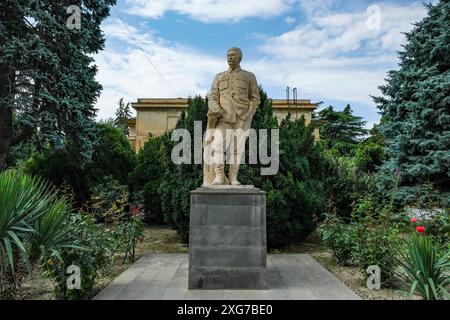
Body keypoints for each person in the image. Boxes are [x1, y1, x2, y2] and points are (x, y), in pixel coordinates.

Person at [203, 47, 260, 186]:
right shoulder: (219, 76)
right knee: (217, 146)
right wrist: (214, 106)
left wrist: (249, 112)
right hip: (223, 117)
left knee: (237, 149)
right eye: (228, 55)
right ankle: (218, 176)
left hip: (242, 117)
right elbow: (212, 97)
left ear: (240, 58)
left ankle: (233, 177)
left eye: (233, 55)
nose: (230, 57)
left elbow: (255, 98)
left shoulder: (249, 76)